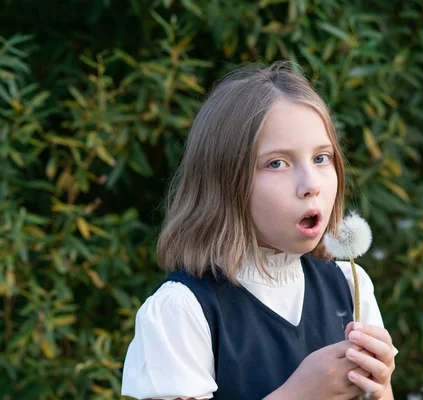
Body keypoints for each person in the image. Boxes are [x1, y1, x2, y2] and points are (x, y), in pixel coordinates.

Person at [121, 62, 397, 400]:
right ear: (224, 182)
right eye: (277, 163)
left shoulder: (351, 287)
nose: (311, 184)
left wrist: (381, 389)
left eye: (321, 158)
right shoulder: (182, 311)